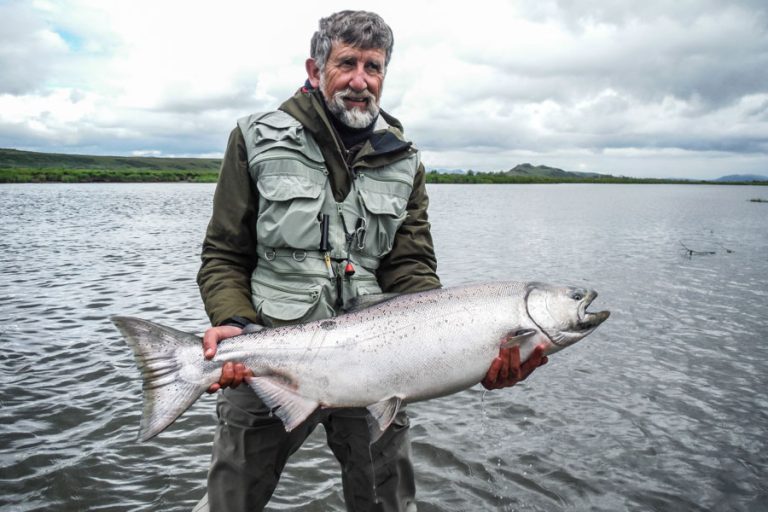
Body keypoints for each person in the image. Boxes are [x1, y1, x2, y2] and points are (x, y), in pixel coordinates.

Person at [194, 10, 548, 512]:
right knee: (231, 502)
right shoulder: (254, 138)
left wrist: (467, 353)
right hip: (270, 354)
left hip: (380, 366)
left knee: (388, 504)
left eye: (374, 67)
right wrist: (232, 321)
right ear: (315, 71)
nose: (361, 81)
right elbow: (225, 253)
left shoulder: (404, 158)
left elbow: (412, 268)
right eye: (347, 63)